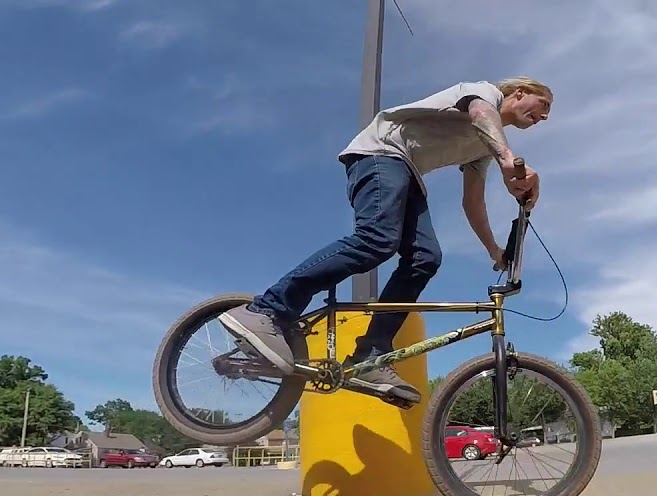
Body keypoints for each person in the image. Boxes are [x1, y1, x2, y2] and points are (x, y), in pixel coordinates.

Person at [219, 77, 552, 404]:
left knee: (425, 258)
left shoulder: (484, 146)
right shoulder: (484, 93)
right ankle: (267, 309)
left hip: (408, 172)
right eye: (544, 105)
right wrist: (507, 158)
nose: (546, 116)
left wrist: (494, 250)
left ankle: (371, 353)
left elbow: (473, 201)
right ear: (521, 92)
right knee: (378, 239)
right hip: (380, 153)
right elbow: (480, 113)